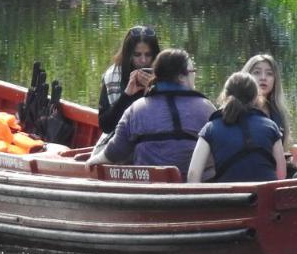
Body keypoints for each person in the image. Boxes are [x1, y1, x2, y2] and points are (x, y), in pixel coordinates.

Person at [87, 49, 214, 178]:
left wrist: (95, 160)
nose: (194, 76)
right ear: (181, 77)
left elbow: (115, 152)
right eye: (193, 72)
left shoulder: (136, 109)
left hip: (151, 186)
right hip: (200, 184)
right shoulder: (207, 107)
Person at [187, 72, 285, 184]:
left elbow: (193, 175)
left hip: (229, 199)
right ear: (255, 98)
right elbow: (281, 175)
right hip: (266, 199)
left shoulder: (210, 128)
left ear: (225, 96)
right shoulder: (271, 126)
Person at [97, 25, 161, 136]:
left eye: (148, 54)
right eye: (137, 55)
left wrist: (153, 91)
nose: (143, 60)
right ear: (128, 55)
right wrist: (126, 95)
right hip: (121, 139)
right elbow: (106, 126)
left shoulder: (166, 75)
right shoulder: (113, 76)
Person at [240, 53, 292, 147]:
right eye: (257, 72)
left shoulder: (278, 112)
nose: (263, 78)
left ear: (275, 80)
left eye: (269, 73)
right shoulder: (236, 109)